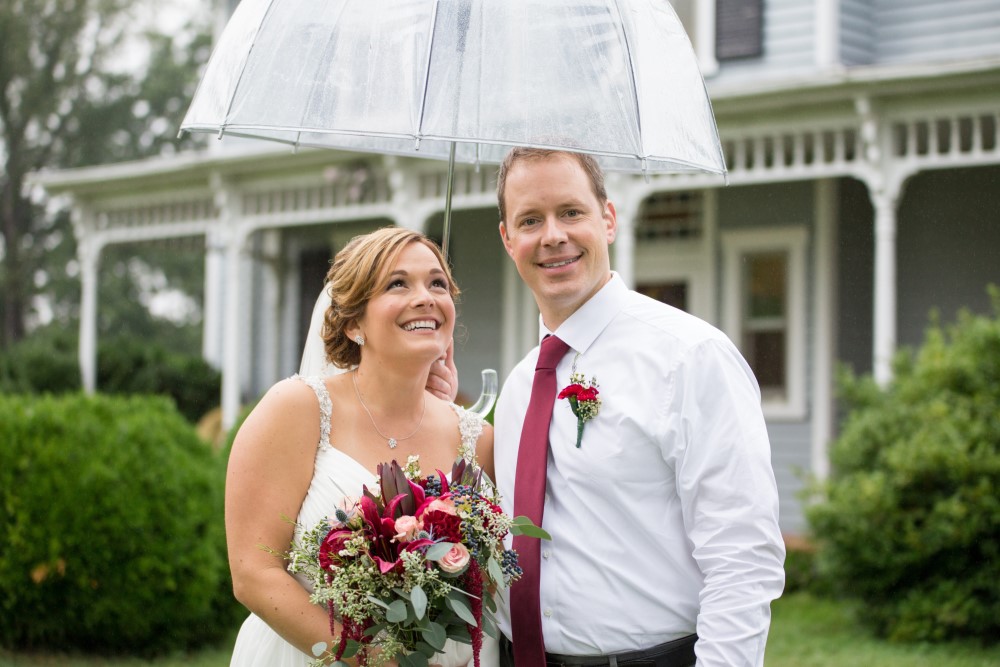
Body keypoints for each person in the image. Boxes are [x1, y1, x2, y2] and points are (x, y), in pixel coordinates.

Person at [492, 148, 786, 667]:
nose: (553, 235)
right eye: (530, 220)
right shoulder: (519, 388)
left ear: (607, 219)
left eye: (571, 212)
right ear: (507, 239)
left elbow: (742, 554)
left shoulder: (690, 356)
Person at [225, 226, 497, 667]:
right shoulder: (297, 409)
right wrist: (373, 660)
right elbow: (253, 574)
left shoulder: (477, 438)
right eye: (397, 283)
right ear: (353, 323)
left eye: (437, 283)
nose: (425, 297)